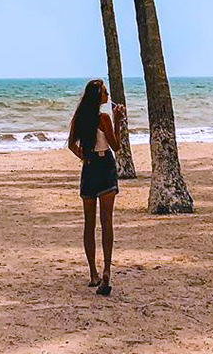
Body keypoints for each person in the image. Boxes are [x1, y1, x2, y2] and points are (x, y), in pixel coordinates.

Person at [67, 78, 124, 296]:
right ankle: (107, 269)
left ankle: (93, 273)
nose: (107, 96)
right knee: (106, 221)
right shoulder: (104, 118)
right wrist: (119, 121)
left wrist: (84, 156)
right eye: (104, 93)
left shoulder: (80, 118)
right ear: (97, 96)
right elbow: (116, 146)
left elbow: (72, 144)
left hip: (90, 168)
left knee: (89, 223)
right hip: (105, 166)